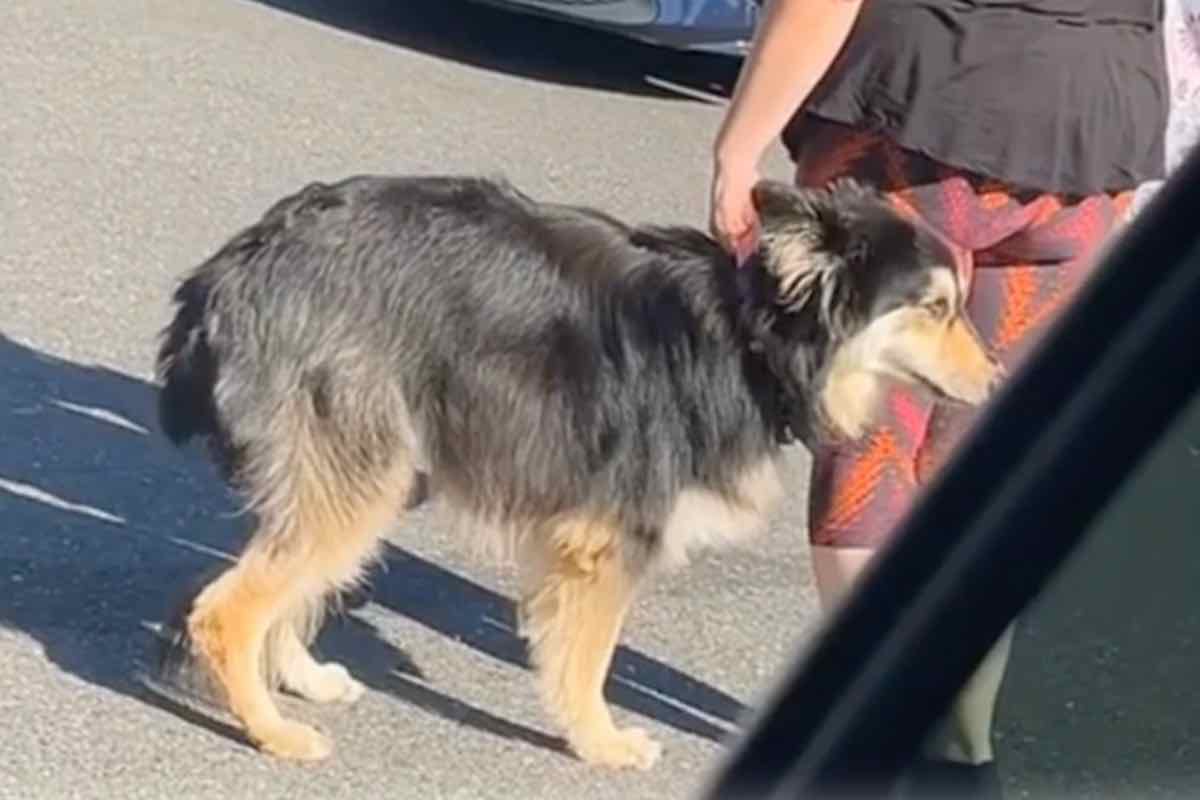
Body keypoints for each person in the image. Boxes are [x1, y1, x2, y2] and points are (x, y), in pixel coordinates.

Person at [709, 1, 1169, 797]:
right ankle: (955, 759)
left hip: (918, 119)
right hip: (1097, 131)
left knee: (871, 452)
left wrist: (738, 144)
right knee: (978, 465)